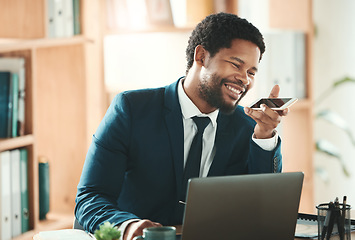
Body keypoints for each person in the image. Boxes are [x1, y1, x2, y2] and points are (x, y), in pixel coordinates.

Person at [75, 12, 288, 240]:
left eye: (251, 72)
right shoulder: (132, 109)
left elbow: (263, 207)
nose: (245, 80)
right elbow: (90, 197)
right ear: (202, 56)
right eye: (236, 65)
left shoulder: (247, 127)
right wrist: (126, 226)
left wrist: (265, 136)